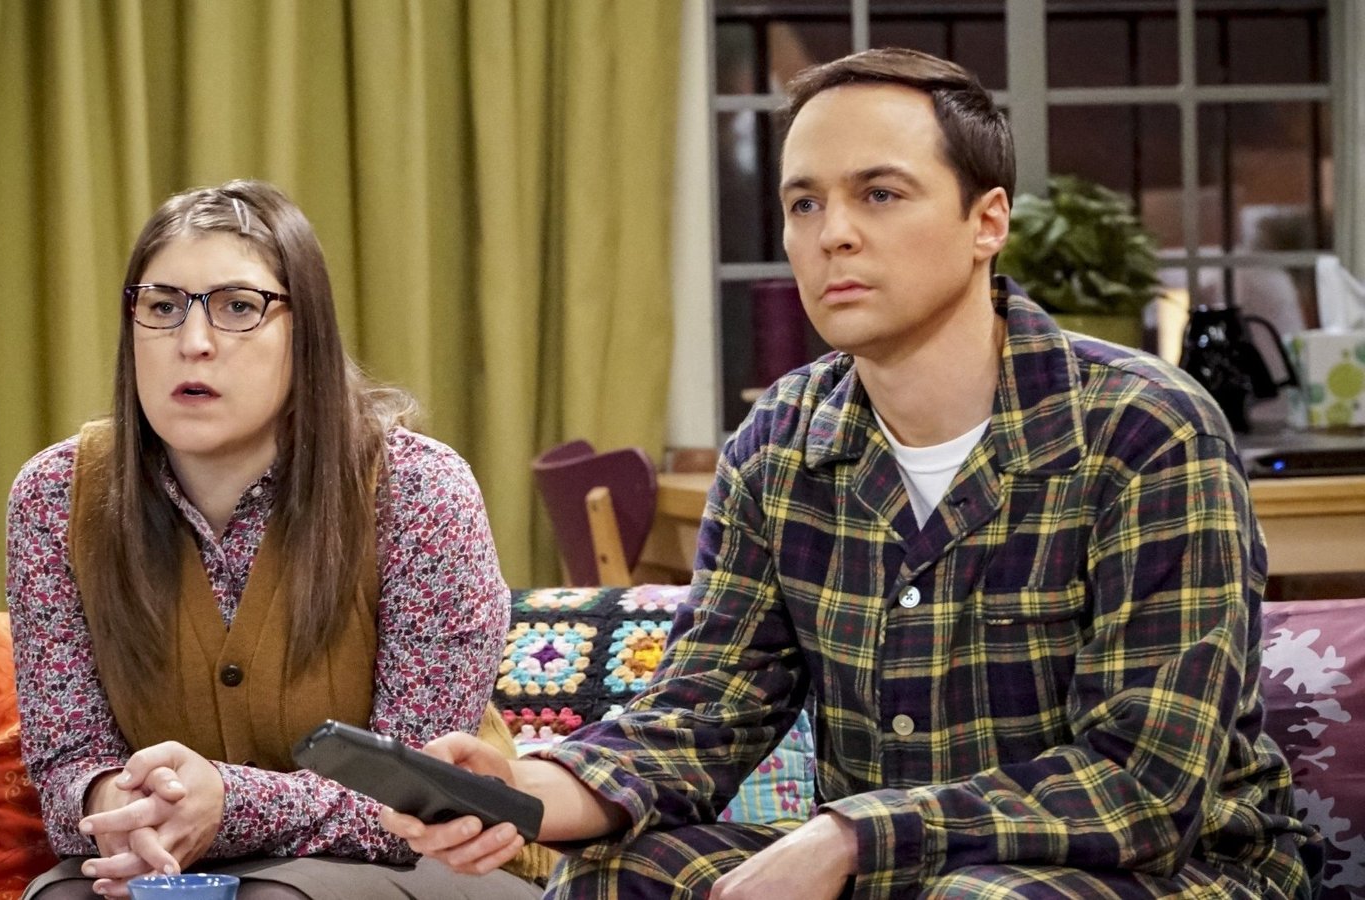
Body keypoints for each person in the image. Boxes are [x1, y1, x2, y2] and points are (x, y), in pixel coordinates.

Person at [382, 49, 1324, 899]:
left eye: (879, 194)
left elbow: (1143, 785)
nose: (832, 233)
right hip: (894, 866)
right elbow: (706, 710)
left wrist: (849, 836)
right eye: (804, 203)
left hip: (1174, 868)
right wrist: (527, 790)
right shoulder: (780, 441)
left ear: (987, 221)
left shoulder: (1147, 429)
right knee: (615, 873)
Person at [7, 180, 542, 899]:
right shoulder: (53, 496)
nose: (193, 343)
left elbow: (417, 791)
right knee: (61, 896)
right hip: (183, 862)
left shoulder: (420, 489)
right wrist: (122, 806)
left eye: (238, 307)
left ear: (306, 332)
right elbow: (66, 761)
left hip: (431, 861)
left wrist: (228, 805)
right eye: (162, 307)